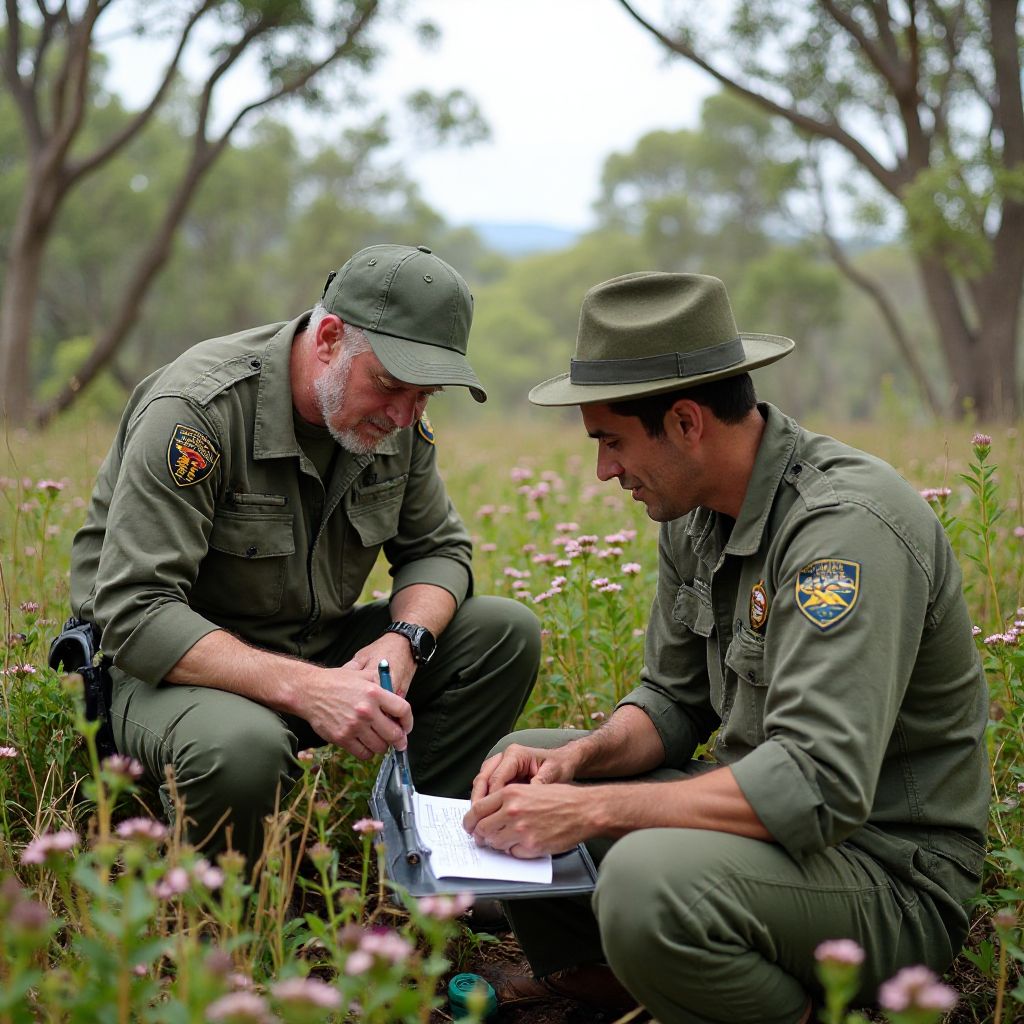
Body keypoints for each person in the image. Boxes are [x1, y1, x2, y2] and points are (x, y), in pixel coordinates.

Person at [463, 272, 989, 1024]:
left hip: (884, 877)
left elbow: (817, 785)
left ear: (685, 423)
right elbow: (673, 701)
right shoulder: (695, 510)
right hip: (766, 839)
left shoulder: (844, 532)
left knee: (645, 875)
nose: (604, 471)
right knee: (533, 756)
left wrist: (595, 812)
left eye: (611, 441)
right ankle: (613, 984)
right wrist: (577, 766)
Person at [69, 243, 541, 870]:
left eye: (425, 395)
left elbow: (438, 550)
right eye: (392, 386)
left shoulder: (392, 422)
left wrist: (403, 639)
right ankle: (224, 918)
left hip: (315, 651)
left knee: (503, 633)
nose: (404, 414)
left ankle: (422, 858)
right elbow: (134, 610)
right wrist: (309, 688)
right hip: (174, 673)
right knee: (243, 747)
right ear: (328, 338)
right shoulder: (197, 412)